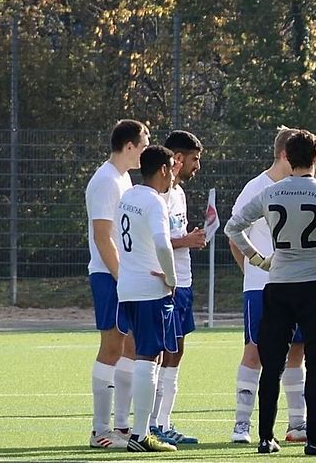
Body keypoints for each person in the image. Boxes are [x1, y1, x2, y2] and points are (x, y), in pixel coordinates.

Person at [225, 130, 316, 456]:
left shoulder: (271, 193)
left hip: (279, 285)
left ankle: (265, 437)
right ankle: (314, 438)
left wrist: (259, 259)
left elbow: (233, 227)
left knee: (271, 363)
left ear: (287, 158)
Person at [228, 126, 309, 444]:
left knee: (297, 352)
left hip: (298, 283)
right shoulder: (256, 188)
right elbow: (234, 233)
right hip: (263, 286)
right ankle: (242, 425)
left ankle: (296, 424)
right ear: (286, 155)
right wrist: (253, 268)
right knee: (255, 351)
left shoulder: (301, 188)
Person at [85, 118, 149, 449]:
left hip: (125, 276)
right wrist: (121, 277)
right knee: (111, 346)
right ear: (128, 146)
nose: (145, 150)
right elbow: (102, 236)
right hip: (109, 276)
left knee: (132, 346)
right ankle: (99, 430)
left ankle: (122, 426)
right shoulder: (106, 180)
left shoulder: (123, 179)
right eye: (142, 144)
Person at [115, 145, 180, 453]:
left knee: (139, 352)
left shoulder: (128, 196)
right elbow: (163, 245)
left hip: (126, 286)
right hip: (149, 289)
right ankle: (140, 436)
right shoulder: (155, 202)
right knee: (149, 357)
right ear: (164, 170)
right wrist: (171, 278)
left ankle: (130, 429)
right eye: (172, 169)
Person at [147, 130, 207, 446]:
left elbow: (175, 236)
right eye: (194, 159)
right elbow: (154, 241)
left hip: (183, 282)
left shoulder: (179, 193)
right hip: (165, 284)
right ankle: (154, 424)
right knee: (163, 352)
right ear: (178, 159)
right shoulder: (156, 195)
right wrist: (187, 240)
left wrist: (192, 236)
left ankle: (163, 422)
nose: (197, 166)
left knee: (176, 351)